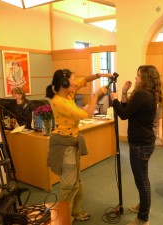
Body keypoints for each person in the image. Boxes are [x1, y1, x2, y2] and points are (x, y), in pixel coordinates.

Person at [46, 69, 111, 223]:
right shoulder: (59, 102)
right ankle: (63, 219)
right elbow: (87, 114)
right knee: (69, 186)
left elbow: (84, 80)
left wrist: (99, 75)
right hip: (64, 146)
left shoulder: (68, 94)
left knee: (77, 182)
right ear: (64, 83)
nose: (76, 83)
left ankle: (75, 212)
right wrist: (96, 95)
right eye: (73, 80)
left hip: (72, 142)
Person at [109, 65, 163, 225]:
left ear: (145, 78)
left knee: (141, 180)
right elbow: (129, 109)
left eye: (138, 75)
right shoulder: (149, 94)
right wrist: (124, 92)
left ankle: (143, 218)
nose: (135, 78)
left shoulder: (142, 95)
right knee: (143, 179)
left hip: (140, 145)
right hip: (145, 142)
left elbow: (124, 114)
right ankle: (144, 205)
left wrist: (115, 99)